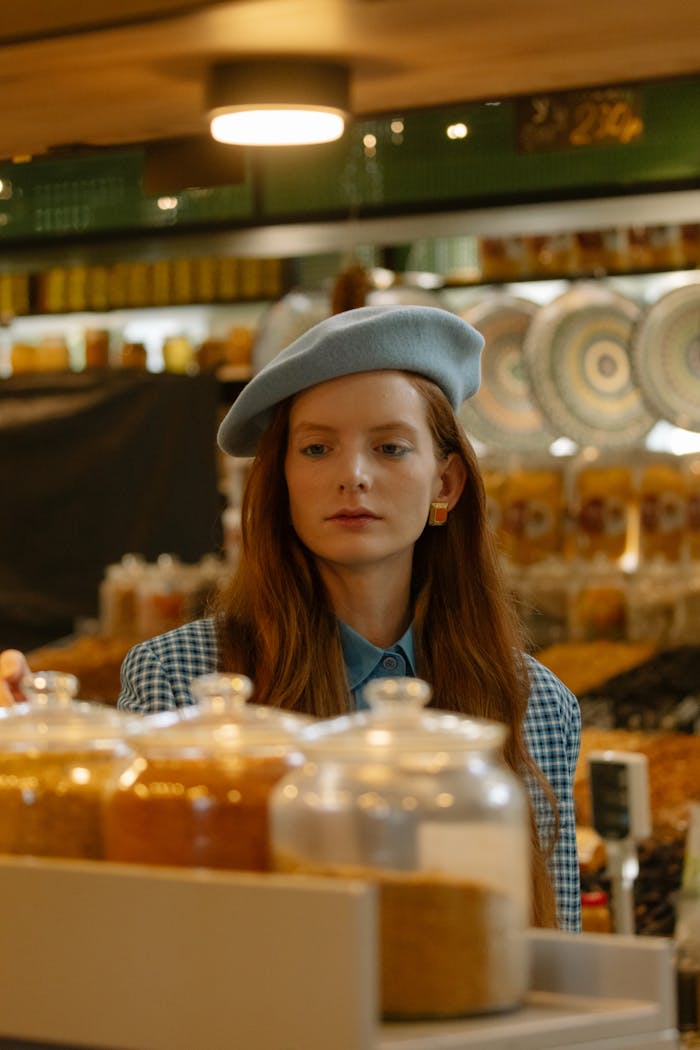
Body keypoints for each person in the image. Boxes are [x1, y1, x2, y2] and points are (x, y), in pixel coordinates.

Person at [0, 304, 581, 932]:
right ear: (281, 479)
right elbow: (138, 921)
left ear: (446, 483)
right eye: (316, 448)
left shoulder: (536, 705)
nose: (352, 476)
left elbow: (556, 943)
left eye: (389, 447)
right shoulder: (183, 678)